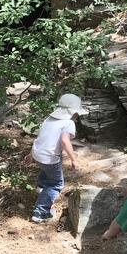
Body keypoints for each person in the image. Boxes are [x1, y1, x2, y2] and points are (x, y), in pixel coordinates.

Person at [29, 93, 87, 223]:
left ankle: (42, 189)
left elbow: (40, 138)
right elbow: (65, 142)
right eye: (77, 113)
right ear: (72, 112)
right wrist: (73, 159)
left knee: (47, 170)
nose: (77, 116)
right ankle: (41, 212)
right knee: (56, 183)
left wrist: (30, 154)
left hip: (38, 153)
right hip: (49, 157)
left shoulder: (49, 119)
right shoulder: (68, 123)